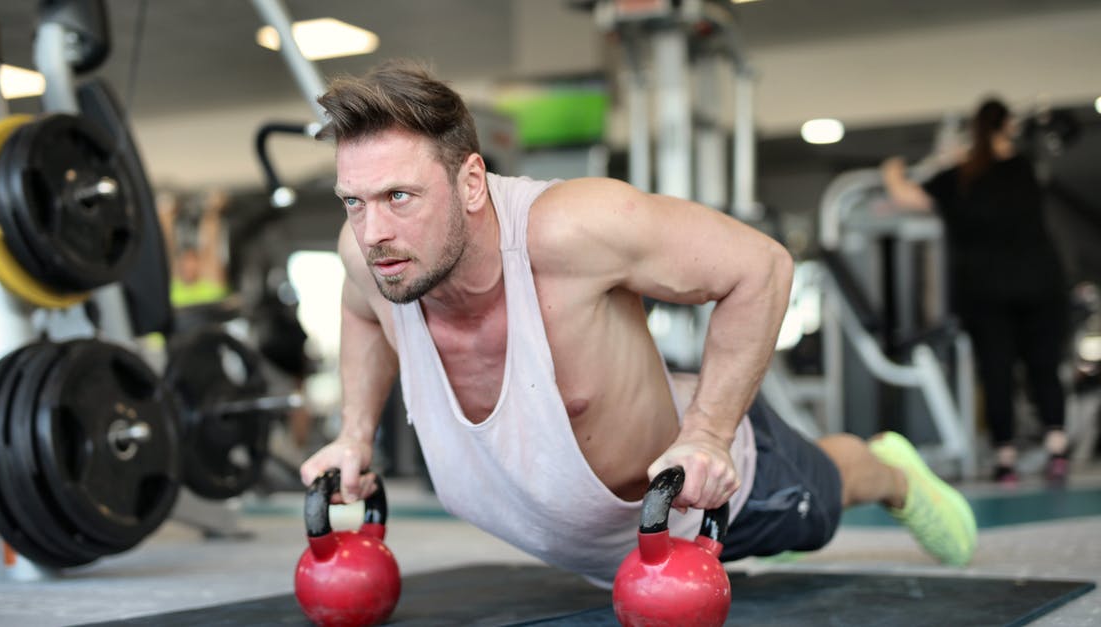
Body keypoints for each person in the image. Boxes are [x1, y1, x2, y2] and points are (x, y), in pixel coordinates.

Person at [299, 60, 977, 585]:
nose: (374, 230)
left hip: (700, 498)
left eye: (399, 196)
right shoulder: (367, 256)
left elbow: (762, 267)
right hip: (601, 553)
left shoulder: (573, 230)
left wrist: (709, 437)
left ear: (473, 182)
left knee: (822, 499)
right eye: (354, 202)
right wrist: (355, 432)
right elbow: (360, 311)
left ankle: (892, 469)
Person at [882, 97, 1071, 484]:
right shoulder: (1026, 168)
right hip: (1039, 283)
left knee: (997, 372)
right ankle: (1057, 450)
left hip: (987, 290)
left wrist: (892, 172)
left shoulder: (959, 175)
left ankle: (1005, 460)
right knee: (1043, 368)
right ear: (1008, 127)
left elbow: (906, 197)